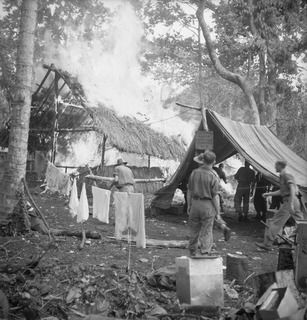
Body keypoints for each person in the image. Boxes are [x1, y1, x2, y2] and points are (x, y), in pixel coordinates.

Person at [187, 151, 230, 256]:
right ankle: (205, 252)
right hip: (207, 205)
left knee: (193, 230)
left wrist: (189, 205)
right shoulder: (213, 175)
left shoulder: (194, 172)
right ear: (214, 162)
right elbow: (215, 196)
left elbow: (189, 191)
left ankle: (192, 252)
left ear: (203, 160)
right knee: (207, 230)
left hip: (195, 204)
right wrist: (218, 213)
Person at [256, 160, 304, 251]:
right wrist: (269, 194)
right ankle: (302, 243)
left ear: (280, 166)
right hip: (290, 199)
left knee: (276, 222)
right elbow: (282, 191)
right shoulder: (282, 176)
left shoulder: (286, 174)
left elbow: (292, 189)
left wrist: (290, 204)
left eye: (276, 166)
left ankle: (267, 244)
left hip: (290, 200)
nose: (275, 167)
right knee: (301, 222)